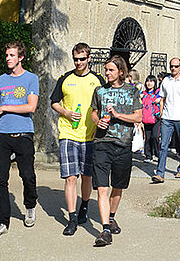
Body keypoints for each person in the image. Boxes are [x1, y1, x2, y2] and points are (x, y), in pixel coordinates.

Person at [0, 41, 39, 238]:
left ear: (20, 57)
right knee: (0, 180)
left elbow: (31, 107)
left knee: (28, 176)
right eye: (7, 55)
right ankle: (2, 221)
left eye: (12, 55)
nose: (8, 58)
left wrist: (5, 108)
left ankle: (30, 206)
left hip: (23, 134)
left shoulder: (31, 79)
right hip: (1, 136)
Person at [50, 42, 106, 236]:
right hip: (68, 133)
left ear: (89, 58)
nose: (78, 62)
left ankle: (84, 206)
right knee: (70, 177)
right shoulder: (65, 78)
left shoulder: (98, 80)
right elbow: (53, 102)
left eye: (82, 59)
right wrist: (65, 112)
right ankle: (72, 218)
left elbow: (104, 104)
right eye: (75, 59)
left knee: (86, 176)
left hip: (90, 136)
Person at [90, 55, 142, 246]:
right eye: (106, 70)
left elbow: (138, 116)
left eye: (111, 70)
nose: (107, 73)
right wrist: (98, 121)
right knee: (102, 187)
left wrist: (118, 115)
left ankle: (111, 218)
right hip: (102, 143)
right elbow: (93, 111)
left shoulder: (132, 91)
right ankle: (104, 231)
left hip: (123, 145)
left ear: (121, 72)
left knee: (118, 186)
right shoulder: (100, 91)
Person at [151, 58, 180, 183]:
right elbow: (162, 99)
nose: (173, 68)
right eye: (171, 66)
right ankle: (160, 173)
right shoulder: (166, 81)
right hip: (167, 117)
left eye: (176, 66)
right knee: (163, 145)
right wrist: (161, 114)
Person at [140, 75, 161, 163]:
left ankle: (158, 153)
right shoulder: (143, 93)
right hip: (146, 118)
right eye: (148, 81)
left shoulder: (158, 92)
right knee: (147, 137)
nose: (149, 83)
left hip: (156, 118)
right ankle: (148, 155)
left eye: (151, 81)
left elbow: (162, 99)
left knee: (155, 137)